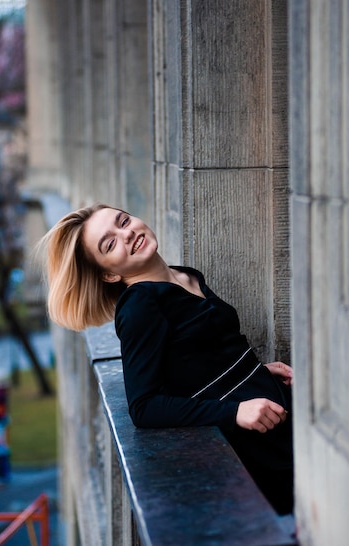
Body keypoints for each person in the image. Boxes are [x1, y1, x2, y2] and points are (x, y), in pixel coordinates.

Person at [42, 203, 294, 515]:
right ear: (108, 273)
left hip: (274, 404)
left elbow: (202, 355)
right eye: (110, 243)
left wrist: (252, 370)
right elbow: (144, 406)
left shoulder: (183, 275)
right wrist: (235, 412)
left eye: (124, 220)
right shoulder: (139, 307)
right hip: (255, 443)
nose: (128, 233)